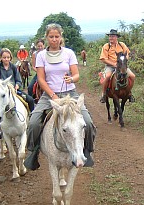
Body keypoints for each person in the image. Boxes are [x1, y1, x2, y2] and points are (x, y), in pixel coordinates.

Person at [24, 23, 96, 171]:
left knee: (87, 123)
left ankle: (87, 151)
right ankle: (33, 151)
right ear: (47, 38)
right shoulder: (41, 56)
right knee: (33, 123)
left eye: (57, 36)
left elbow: (76, 74)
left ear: (61, 37)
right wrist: (53, 95)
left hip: (70, 94)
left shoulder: (69, 53)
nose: (54, 39)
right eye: (51, 36)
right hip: (49, 95)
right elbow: (41, 80)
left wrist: (72, 79)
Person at [0, 48, 35, 139]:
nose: (6, 59)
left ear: (10, 58)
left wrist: (17, 86)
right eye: (4, 57)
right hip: (2, 92)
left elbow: (18, 80)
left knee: (30, 100)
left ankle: (31, 119)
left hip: (14, 91)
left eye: (8, 57)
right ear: (1, 58)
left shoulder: (14, 67)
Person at [99, 29, 136, 103]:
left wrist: (124, 61)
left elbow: (127, 53)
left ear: (116, 37)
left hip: (122, 65)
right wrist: (113, 64)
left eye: (112, 36)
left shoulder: (122, 45)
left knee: (132, 76)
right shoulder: (106, 46)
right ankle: (104, 94)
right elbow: (103, 59)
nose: (111, 38)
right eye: (110, 36)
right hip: (110, 66)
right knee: (107, 76)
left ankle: (129, 93)